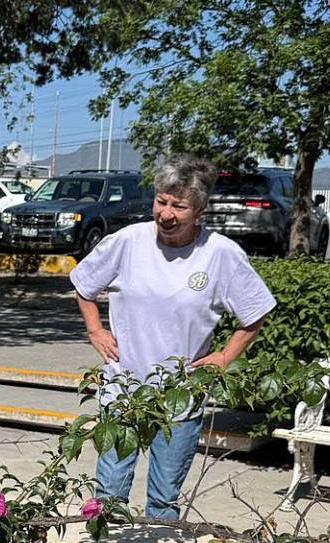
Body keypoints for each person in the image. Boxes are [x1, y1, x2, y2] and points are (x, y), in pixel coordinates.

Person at [70, 155, 276, 519]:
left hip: (180, 396)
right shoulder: (129, 241)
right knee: (109, 495)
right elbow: (84, 285)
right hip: (123, 388)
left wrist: (226, 357)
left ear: (200, 210)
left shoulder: (220, 255)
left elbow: (255, 313)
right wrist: (95, 330)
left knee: (164, 500)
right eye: (161, 201)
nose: (166, 214)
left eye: (178, 206)